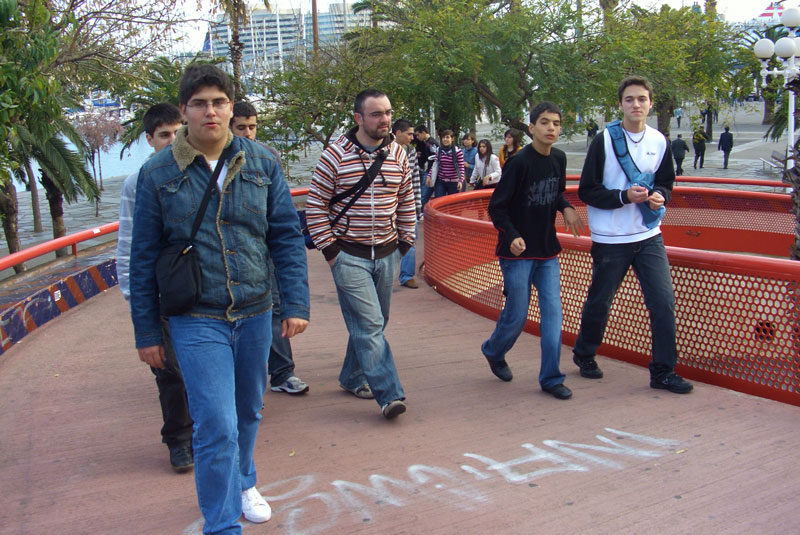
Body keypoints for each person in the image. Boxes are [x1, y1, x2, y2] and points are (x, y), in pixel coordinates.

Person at [129, 64, 310, 533]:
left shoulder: (262, 162)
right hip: (196, 316)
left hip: (255, 310)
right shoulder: (157, 173)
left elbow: (286, 236)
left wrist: (295, 303)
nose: (210, 111)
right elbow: (142, 257)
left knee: (248, 409)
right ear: (184, 110)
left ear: (231, 107)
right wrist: (147, 333)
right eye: (199, 103)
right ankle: (223, 524)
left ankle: (244, 479)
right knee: (216, 423)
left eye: (219, 102)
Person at [572, 75, 693, 395]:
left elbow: (666, 182)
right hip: (611, 238)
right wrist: (624, 197)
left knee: (663, 303)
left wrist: (661, 195)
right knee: (600, 301)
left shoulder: (659, 141)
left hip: (648, 235)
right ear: (620, 104)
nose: (636, 104)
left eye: (641, 99)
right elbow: (587, 190)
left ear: (650, 103)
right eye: (629, 99)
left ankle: (663, 371)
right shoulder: (604, 140)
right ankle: (585, 353)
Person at [306, 89, 415, 419]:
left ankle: (353, 376)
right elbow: (315, 205)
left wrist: (405, 244)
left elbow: (407, 200)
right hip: (348, 255)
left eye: (388, 112)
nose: (385, 120)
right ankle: (389, 394)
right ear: (358, 118)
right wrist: (331, 252)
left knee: (374, 323)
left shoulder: (398, 154)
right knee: (370, 325)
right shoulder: (335, 155)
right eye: (376, 114)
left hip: (388, 252)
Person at [482, 101, 585, 400]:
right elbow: (497, 207)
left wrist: (566, 207)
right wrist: (512, 235)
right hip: (517, 254)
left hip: (547, 251)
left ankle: (551, 377)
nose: (551, 128)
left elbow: (556, 194)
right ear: (531, 127)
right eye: (544, 122)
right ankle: (494, 350)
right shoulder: (519, 163)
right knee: (517, 314)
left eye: (556, 123)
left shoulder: (559, 159)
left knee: (553, 315)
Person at [116, 103, 192, 473]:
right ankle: (178, 440)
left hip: (201, 288)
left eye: (178, 132)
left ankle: (209, 433)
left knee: (208, 368)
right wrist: (135, 298)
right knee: (170, 371)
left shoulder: (202, 171)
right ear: (150, 139)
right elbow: (129, 243)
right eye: (164, 135)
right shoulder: (140, 181)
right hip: (161, 292)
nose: (173, 141)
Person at [230, 100, 309, 395]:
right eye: (241, 127)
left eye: (252, 127)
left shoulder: (267, 157)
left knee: (275, 307)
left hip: (265, 249)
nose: (248, 133)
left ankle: (282, 372)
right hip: (231, 254)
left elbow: (282, 216)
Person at [392, 118, 423, 289]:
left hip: (407, 203)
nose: (412, 137)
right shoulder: (383, 149)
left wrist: (417, 205)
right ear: (398, 133)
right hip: (388, 206)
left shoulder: (410, 151)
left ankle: (407, 275)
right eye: (409, 134)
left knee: (410, 239)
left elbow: (415, 179)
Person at [427, 129, 465, 197]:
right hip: (441, 180)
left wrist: (460, 181)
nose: (445, 139)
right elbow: (435, 165)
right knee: (439, 199)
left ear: (452, 139)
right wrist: (429, 176)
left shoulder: (457, 151)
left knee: (453, 201)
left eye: (447, 137)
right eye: (443, 137)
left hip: (453, 181)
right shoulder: (438, 150)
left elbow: (461, 167)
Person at [413, 125, 438, 208]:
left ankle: (420, 210)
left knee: (424, 194)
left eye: (418, 135)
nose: (417, 137)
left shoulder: (431, 143)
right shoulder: (427, 143)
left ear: (423, 133)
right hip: (430, 171)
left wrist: (430, 173)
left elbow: (434, 158)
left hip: (431, 171)